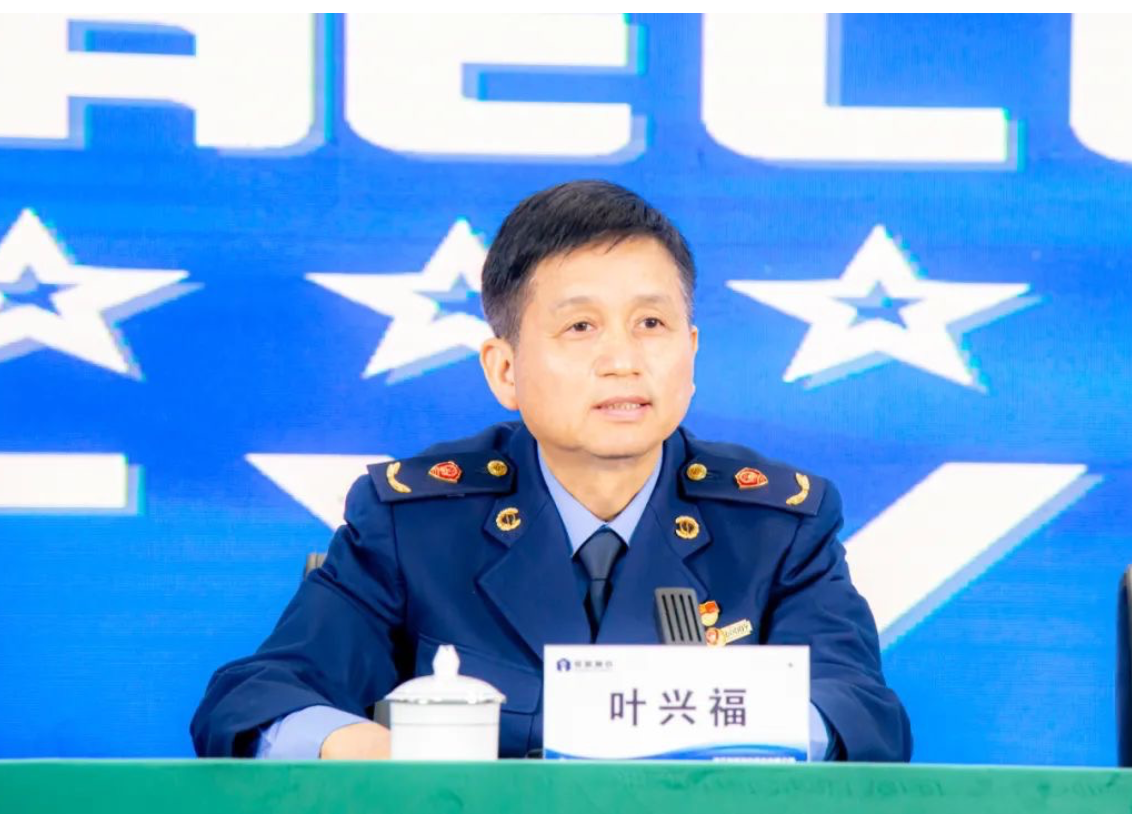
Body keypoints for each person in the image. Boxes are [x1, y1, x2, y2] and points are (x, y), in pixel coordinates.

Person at [190, 180, 912, 762]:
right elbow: (257, 699)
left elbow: (862, 713)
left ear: (691, 353)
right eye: (580, 327)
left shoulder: (776, 526)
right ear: (505, 369)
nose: (623, 360)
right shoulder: (414, 524)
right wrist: (363, 749)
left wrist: (748, 736)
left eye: (651, 324)